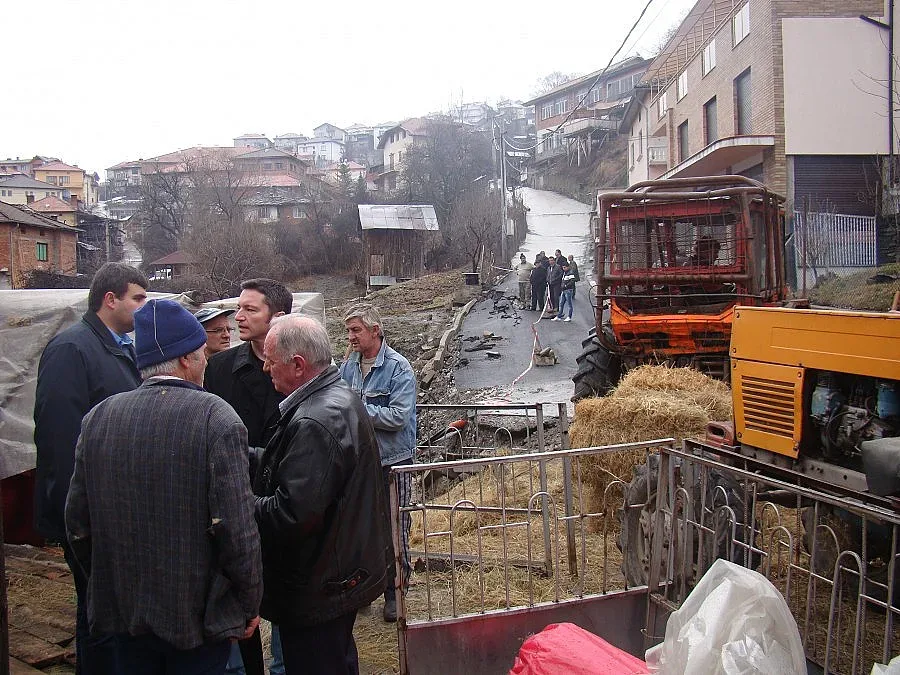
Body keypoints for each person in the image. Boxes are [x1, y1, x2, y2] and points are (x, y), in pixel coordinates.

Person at [65, 299, 262, 674]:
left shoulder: (99, 418)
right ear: (187, 359)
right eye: (202, 353)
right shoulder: (216, 418)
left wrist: (110, 584)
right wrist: (247, 604)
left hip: (124, 618)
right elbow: (237, 529)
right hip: (196, 622)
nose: (206, 360)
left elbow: (77, 524)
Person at [255, 315, 390, 674]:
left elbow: (292, 513)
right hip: (337, 575)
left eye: (271, 359)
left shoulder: (316, 420)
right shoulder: (335, 397)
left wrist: (237, 505)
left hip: (319, 584)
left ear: (298, 365)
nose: (265, 366)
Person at [34, 261, 148, 674]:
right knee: (98, 617)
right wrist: (76, 518)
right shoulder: (72, 349)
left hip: (113, 510)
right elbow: (59, 438)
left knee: (110, 615)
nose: (143, 307)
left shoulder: (115, 347)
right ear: (110, 299)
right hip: (90, 514)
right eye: (138, 298)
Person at [205, 279, 291, 675]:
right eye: (238, 308)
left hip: (287, 504)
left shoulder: (301, 367)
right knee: (241, 606)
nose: (238, 317)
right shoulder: (220, 368)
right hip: (236, 500)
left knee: (288, 601)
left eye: (250, 310)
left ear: (278, 317)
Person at [339, 303, 416, 623]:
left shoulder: (399, 368)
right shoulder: (348, 366)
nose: (351, 336)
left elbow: (398, 416)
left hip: (392, 461)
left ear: (375, 330)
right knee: (360, 529)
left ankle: (395, 592)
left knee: (394, 529)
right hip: (360, 461)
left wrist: (356, 413)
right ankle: (364, 590)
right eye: (348, 330)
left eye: (356, 330)